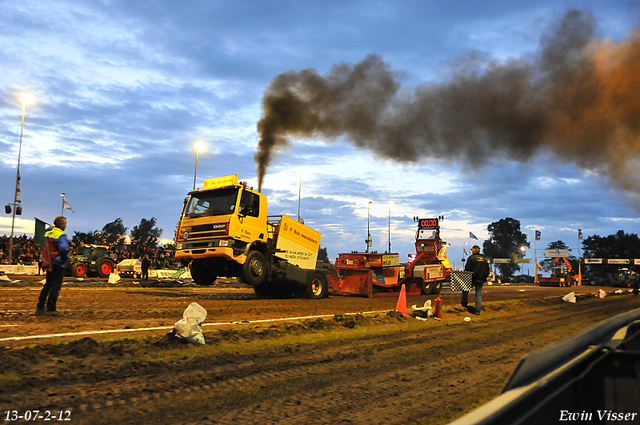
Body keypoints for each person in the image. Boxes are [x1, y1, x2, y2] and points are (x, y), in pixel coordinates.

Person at [36, 216, 70, 316]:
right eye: (65, 223)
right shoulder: (61, 234)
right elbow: (63, 248)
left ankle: (40, 307)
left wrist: (51, 228)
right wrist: (65, 258)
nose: (66, 225)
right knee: (55, 286)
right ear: (62, 224)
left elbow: (46, 236)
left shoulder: (48, 232)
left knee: (47, 285)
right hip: (58, 262)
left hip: (48, 261)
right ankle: (51, 308)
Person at [462, 245, 491, 315]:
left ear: (474, 250)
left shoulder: (471, 258)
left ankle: (464, 306)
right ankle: (477, 311)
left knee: (465, 291)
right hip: (481, 279)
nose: (471, 251)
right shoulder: (484, 259)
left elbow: (467, 269)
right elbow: (487, 270)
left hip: (471, 279)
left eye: (472, 250)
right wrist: (484, 277)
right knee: (478, 294)